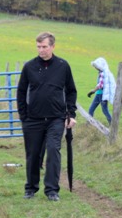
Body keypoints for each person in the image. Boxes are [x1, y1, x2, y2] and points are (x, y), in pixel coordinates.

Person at [17, 32, 77, 202]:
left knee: (53, 150)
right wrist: (24, 115)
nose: (41, 50)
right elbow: (21, 92)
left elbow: (71, 91)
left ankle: (51, 190)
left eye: (44, 46)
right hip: (33, 119)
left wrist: (71, 114)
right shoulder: (29, 66)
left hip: (56, 119)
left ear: (52, 46)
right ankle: (31, 188)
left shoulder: (62, 66)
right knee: (33, 154)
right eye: (38, 46)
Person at [88, 57, 116, 124]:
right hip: (99, 94)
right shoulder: (105, 73)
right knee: (92, 109)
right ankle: (89, 123)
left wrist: (93, 91)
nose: (95, 68)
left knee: (103, 110)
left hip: (101, 95)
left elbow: (100, 85)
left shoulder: (102, 73)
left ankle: (112, 124)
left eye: (96, 66)